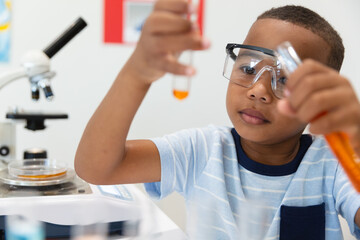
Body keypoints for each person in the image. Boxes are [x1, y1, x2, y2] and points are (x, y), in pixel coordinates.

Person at [74, 0, 360, 239]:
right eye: (248, 68)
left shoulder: (335, 163)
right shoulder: (201, 150)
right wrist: (137, 74)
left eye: (285, 79)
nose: (258, 91)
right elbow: (97, 168)